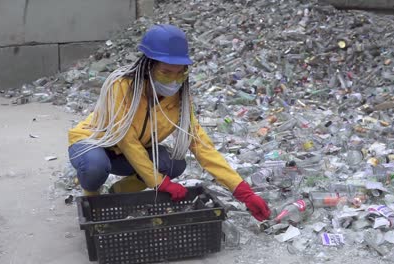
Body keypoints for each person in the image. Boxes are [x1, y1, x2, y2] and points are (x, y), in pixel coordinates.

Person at [67, 24, 271, 221]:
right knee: (95, 167)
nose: (173, 80)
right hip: (95, 143)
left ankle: (117, 193)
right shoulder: (121, 87)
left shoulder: (180, 100)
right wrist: (159, 183)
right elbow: (127, 141)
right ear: (148, 66)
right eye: (165, 73)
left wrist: (243, 192)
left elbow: (201, 145)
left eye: (179, 72)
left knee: (174, 164)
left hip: (128, 154)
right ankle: (92, 195)